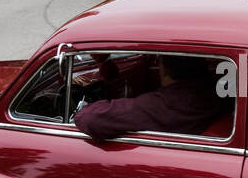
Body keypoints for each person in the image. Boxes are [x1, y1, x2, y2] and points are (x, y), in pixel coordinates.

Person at [74, 54, 231, 141]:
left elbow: (90, 118)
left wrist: (81, 111)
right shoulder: (217, 91)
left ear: (163, 68)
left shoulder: (164, 106)